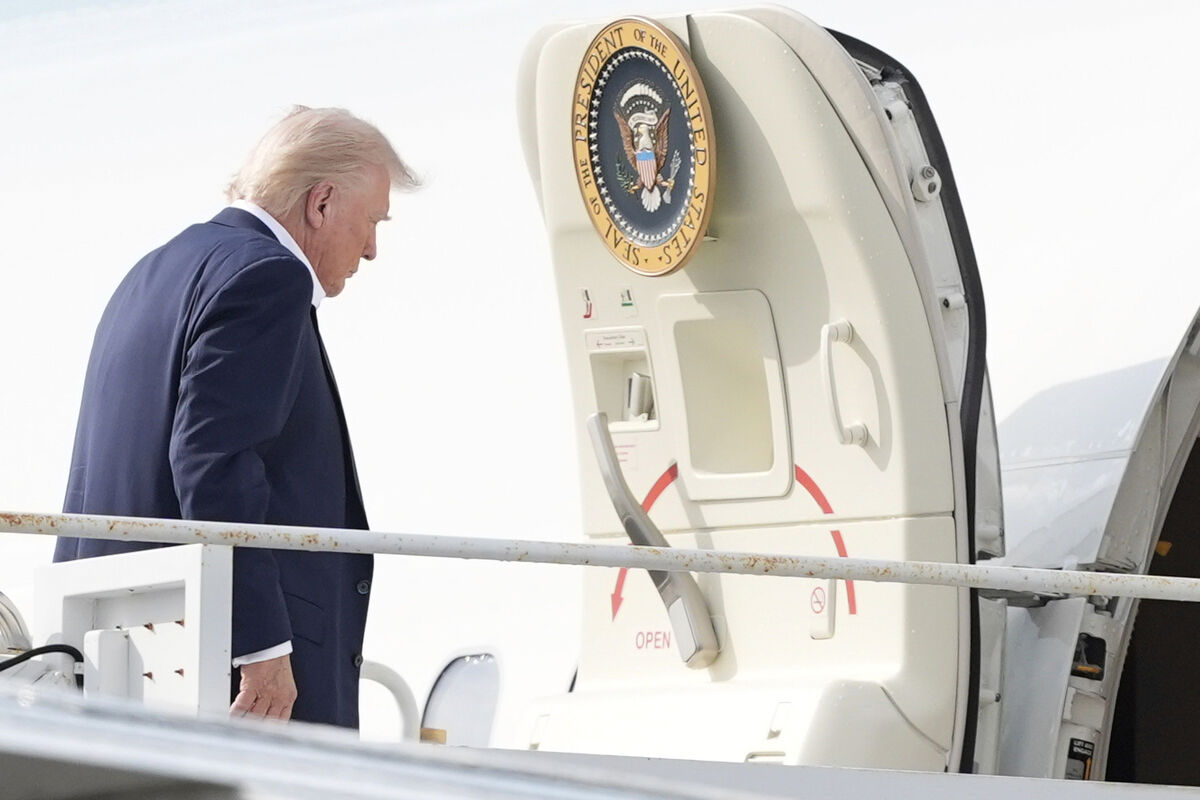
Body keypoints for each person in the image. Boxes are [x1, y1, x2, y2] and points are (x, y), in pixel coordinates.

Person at [53, 106, 417, 728]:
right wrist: (263, 649)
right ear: (322, 202)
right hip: (231, 676)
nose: (374, 249)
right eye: (373, 221)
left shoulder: (149, 273)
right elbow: (212, 459)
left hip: (118, 654)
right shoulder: (267, 276)